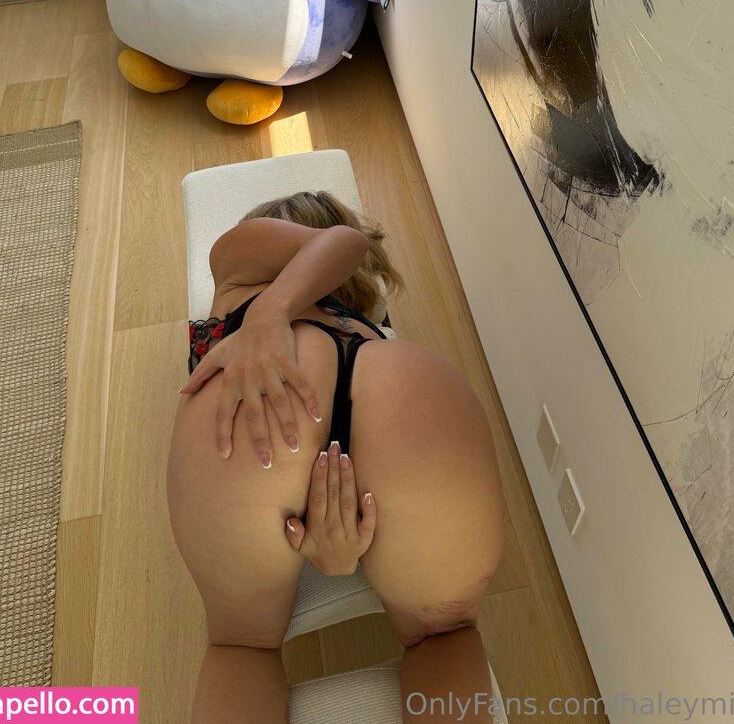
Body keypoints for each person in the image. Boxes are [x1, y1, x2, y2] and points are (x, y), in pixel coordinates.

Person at [167, 191, 504, 722]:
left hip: (267, 412)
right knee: (444, 635)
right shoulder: (354, 313)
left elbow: (343, 242)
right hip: (398, 390)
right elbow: (346, 242)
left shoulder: (237, 255)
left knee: (242, 646)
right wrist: (341, 565)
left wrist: (266, 315)